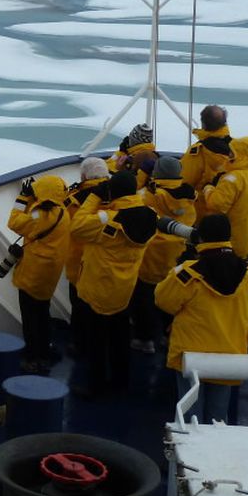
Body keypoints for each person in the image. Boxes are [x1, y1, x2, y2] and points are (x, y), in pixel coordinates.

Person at [155, 214, 248, 423]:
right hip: (229, 357)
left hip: (190, 355)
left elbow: (163, 301)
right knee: (218, 418)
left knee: (189, 415)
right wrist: (236, 344)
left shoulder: (187, 273)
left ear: (201, 238)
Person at [69, 170, 157, 397]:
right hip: (125, 288)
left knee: (97, 342)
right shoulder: (150, 216)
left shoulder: (108, 220)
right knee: (120, 336)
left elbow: (77, 226)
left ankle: (96, 387)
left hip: (98, 289)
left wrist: (95, 197)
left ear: (113, 192)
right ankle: (120, 381)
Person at [5, 174, 70, 373]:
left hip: (33, 274)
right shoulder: (63, 212)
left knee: (31, 317)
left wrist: (22, 198)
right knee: (42, 313)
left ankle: (33, 356)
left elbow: (14, 222)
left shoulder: (39, 216)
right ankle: (44, 350)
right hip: (49, 274)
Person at [131, 156, 196, 353]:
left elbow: (134, 210)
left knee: (144, 297)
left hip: (152, 255)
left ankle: (144, 340)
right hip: (178, 253)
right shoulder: (190, 196)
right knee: (171, 296)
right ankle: (169, 337)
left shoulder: (148, 196)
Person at [64, 157, 111, 357]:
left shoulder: (74, 199)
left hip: (79, 262)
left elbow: (68, 226)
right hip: (108, 262)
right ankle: (104, 344)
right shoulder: (118, 195)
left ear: (83, 176)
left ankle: (81, 345)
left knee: (80, 306)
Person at [202, 136, 248, 261]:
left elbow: (216, 205)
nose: (229, 155)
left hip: (229, 241)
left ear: (240, 155)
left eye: (232, 152)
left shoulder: (233, 179)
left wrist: (208, 188)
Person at [181, 105, 233, 217]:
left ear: (203, 124)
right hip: (226, 214)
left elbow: (184, 181)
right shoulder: (236, 150)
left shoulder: (199, 152)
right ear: (225, 122)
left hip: (201, 213)